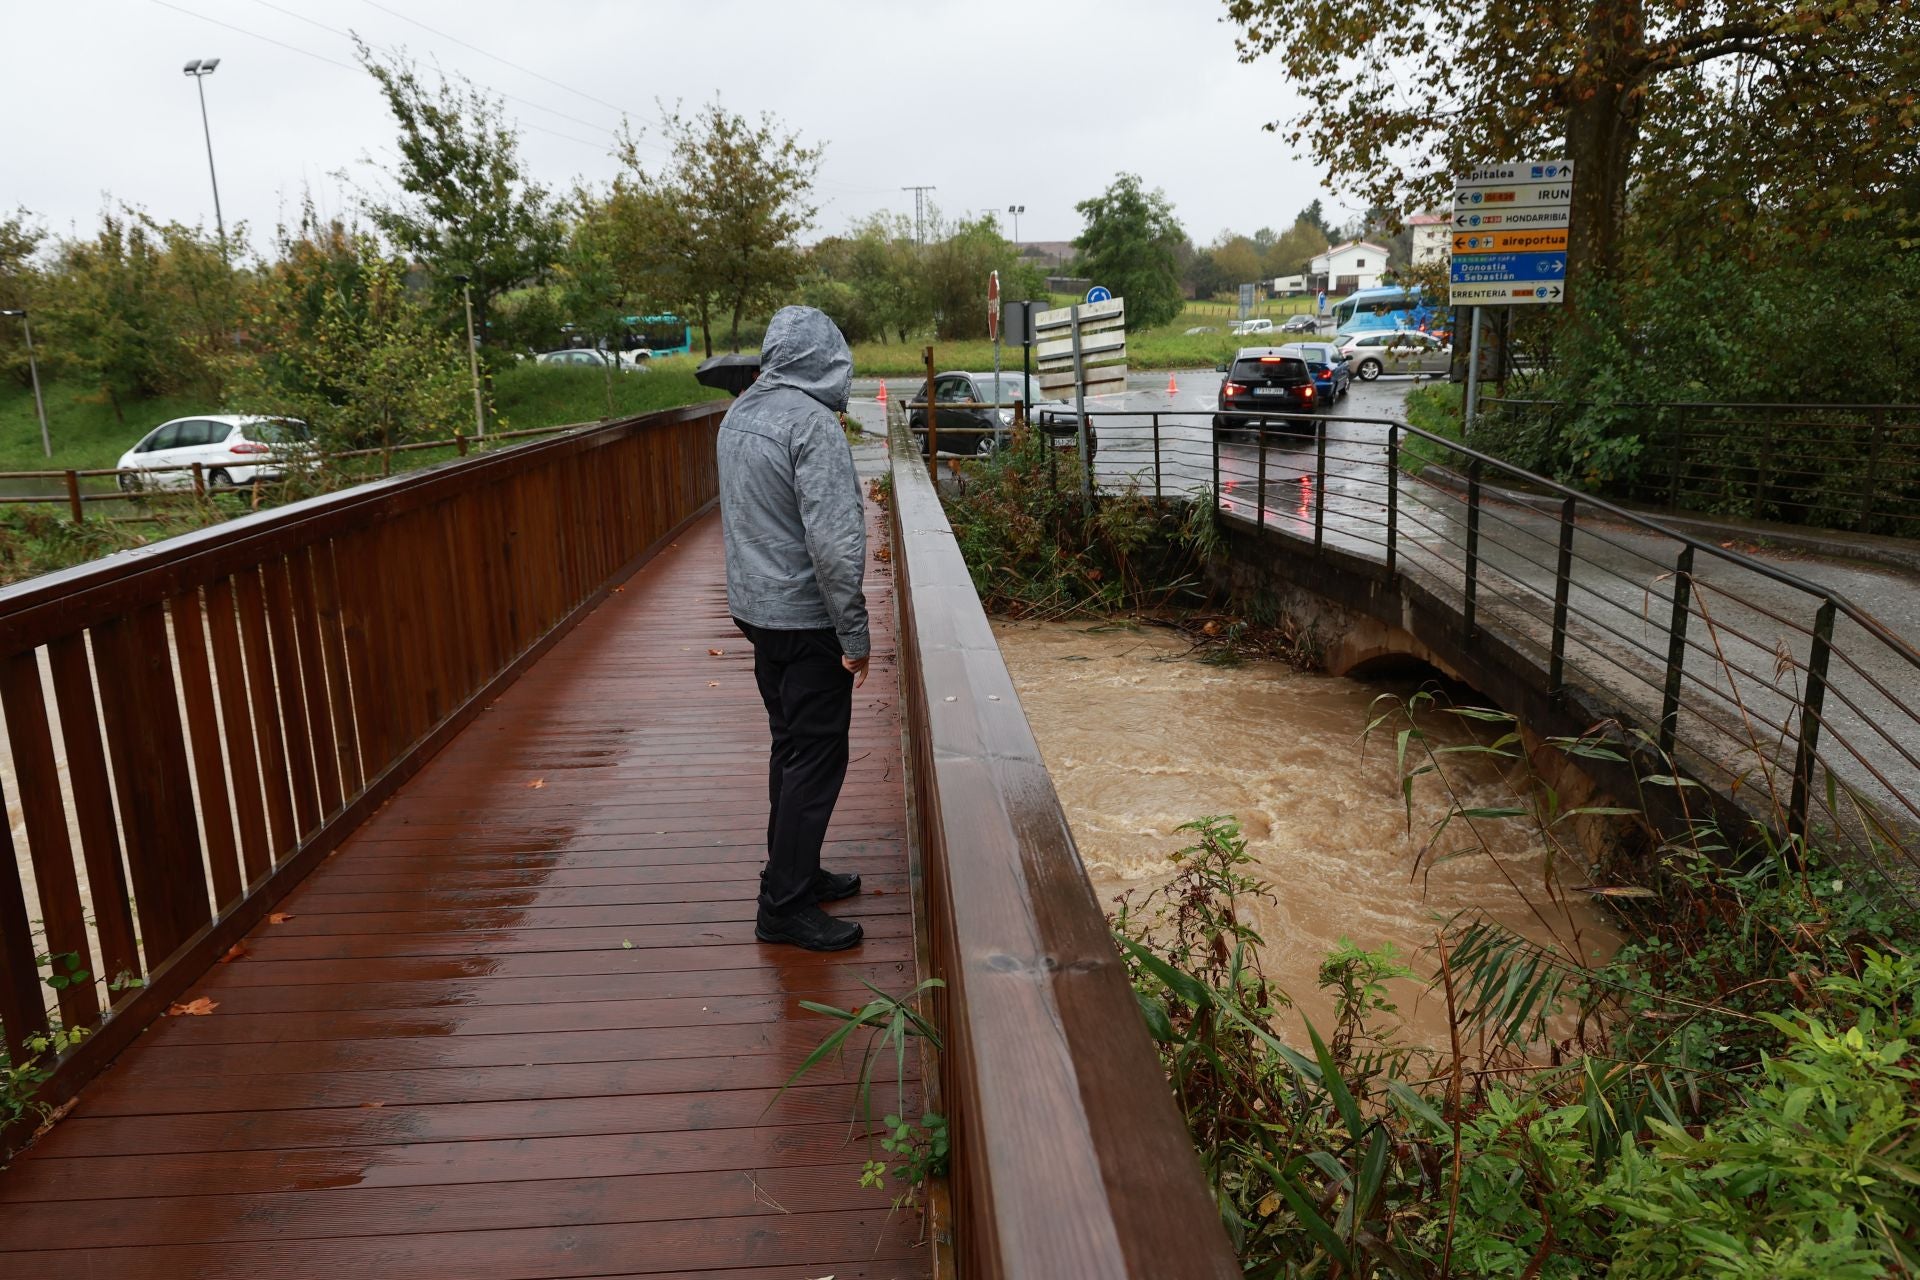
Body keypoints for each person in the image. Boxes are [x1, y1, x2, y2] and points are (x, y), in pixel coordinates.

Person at [717, 306, 869, 952]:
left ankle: (796, 872)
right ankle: (783, 907)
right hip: (806, 619)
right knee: (816, 756)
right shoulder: (813, 425)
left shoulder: (741, 413)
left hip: (756, 611)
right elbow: (834, 547)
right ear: (828, 356)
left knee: (791, 747)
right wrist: (854, 635)